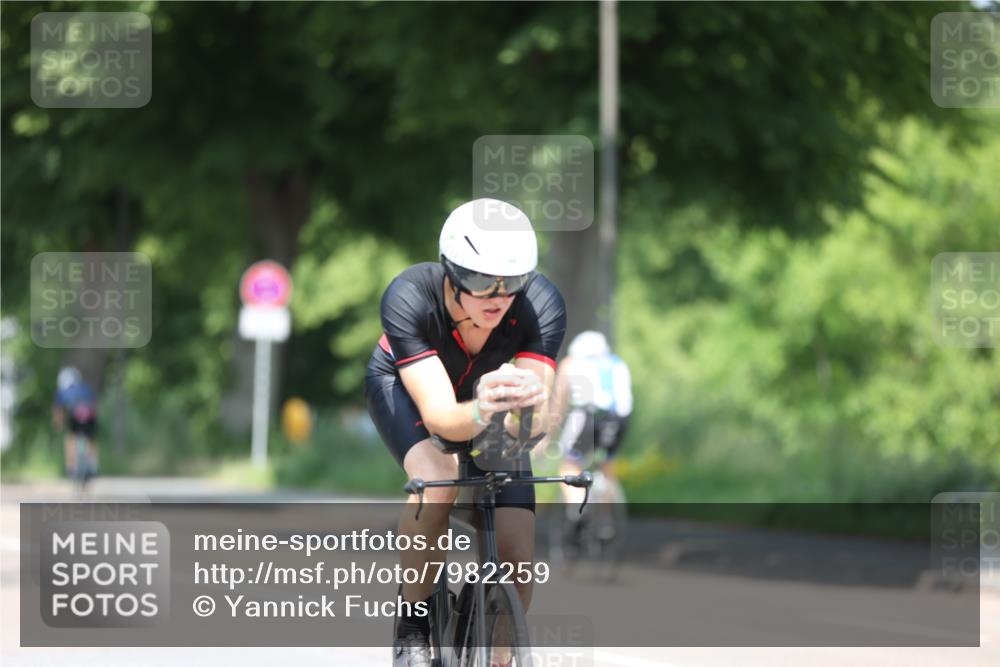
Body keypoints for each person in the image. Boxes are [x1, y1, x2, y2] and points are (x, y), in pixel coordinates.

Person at [365, 198, 566, 666]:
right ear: (451, 273)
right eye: (480, 282)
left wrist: (527, 416)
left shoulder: (540, 303)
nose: (497, 297)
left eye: (512, 282)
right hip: (409, 389)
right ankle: (412, 625)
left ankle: (494, 647)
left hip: (487, 399)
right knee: (439, 480)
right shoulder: (409, 296)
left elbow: (533, 423)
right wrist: (485, 406)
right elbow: (438, 416)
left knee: (517, 544)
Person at [551, 331, 632, 508]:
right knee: (607, 465)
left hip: (589, 415)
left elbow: (559, 402)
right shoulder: (618, 363)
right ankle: (607, 517)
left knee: (569, 465)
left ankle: (577, 511)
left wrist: (549, 432)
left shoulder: (571, 362)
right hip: (621, 418)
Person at [52, 366, 99, 481]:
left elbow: (59, 412)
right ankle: (93, 466)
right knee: (91, 439)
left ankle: (71, 468)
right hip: (89, 416)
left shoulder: (62, 391)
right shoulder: (86, 388)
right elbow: (94, 405)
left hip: (75, 416)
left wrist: (58, 425)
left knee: (70, 439)